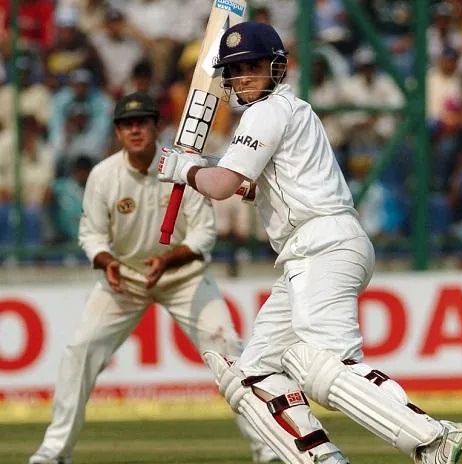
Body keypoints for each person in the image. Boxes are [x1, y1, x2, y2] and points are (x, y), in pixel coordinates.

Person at [157, 21, 462, 464]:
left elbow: (223, 184)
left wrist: (182, 169)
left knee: (318, 361)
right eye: (236, 70)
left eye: (253, 66)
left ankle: (430, 436)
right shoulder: (291, 112)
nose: (244, 77)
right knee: (256, 373)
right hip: (311, 249)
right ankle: (322, 459)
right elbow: (248, 187)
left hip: (320, 245)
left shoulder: (268, 112)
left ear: (276, 67)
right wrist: (198, 164)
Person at [29, 92, 278, 464]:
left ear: (156, 126)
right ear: (117, 132)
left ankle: (267, 450)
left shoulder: (182, 168)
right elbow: (91, 234)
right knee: (79, 351)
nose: (135, 130)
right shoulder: (103, 175)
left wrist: (168, 261)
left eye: (142, 122)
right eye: (127, 124)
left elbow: (202, 235)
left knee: (229, 352)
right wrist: (105, 260)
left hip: (185, 278)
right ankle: (53, 451)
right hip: (125, 279)